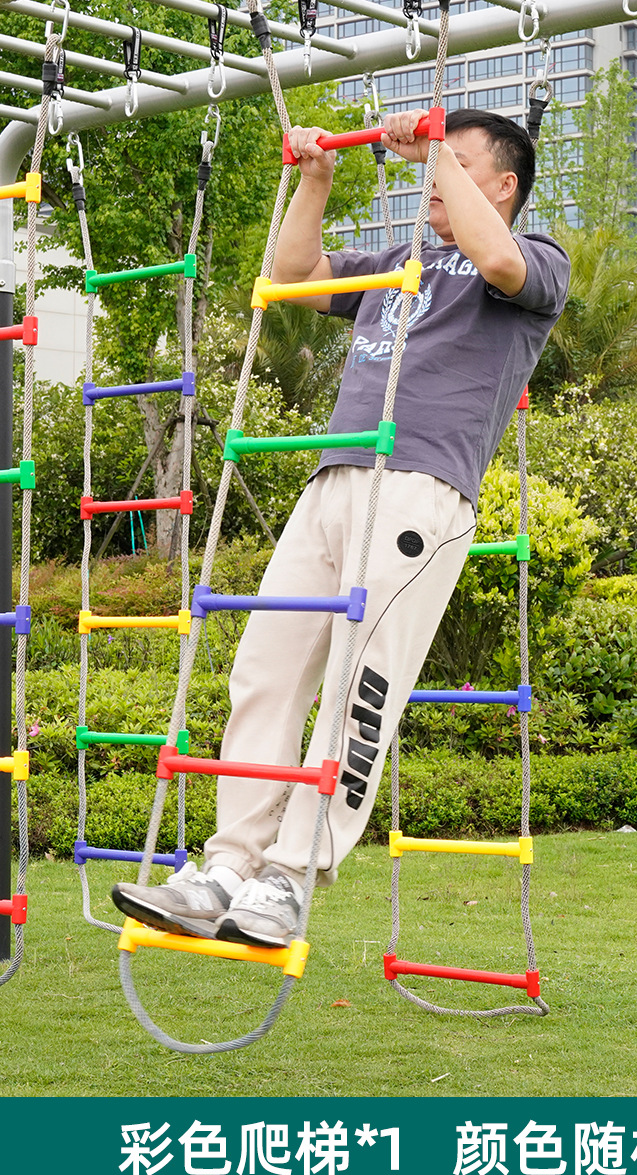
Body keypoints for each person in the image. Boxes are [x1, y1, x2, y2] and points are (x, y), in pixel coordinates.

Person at [112, 106, 570, 950]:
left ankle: (289, 879)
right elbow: (296, 276)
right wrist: (316, 180)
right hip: (331, 479)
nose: (437, 176)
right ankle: (228, 866)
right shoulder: (400, 263)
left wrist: (429, 152)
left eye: (459, 164)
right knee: (265, 671)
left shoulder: (535, 259)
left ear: (504, 185)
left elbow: (500, 260)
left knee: (361, 689)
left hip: (419, 489)